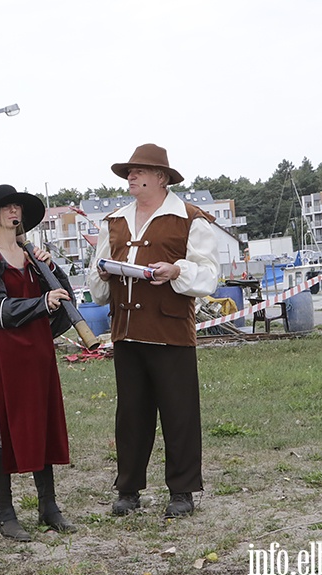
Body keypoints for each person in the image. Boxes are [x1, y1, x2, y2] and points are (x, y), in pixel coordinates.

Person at [86, 144, 219, 518]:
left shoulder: (190, 218)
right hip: (126, 331)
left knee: (179, 414)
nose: (130, 175)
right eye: (129, 171)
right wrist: (101, 272)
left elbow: (209, 275)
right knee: (131, 415)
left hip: (171, 331)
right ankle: (128, 489)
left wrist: (178, 271)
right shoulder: (114, 221)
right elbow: (96, 288)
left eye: (139, 170)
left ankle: (182, 491)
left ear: (161, 177)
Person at [0, 184, 77, 541]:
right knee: (3, 430)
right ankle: (5, 514)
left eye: (18, 207)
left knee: (40, 424)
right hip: (3, 356)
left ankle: (49, 508)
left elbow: (63, 310)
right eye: (8, 207)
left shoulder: (33, 257)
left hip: (37, 354)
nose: (15, 212)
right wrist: (40, 303)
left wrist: (52, 270)